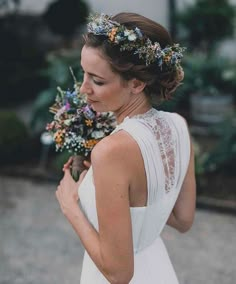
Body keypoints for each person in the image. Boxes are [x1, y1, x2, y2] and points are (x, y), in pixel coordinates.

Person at [56, 12, 196, 284]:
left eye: (97, 80)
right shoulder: (178, 126)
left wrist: (69, 204)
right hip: (157, 269)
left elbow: (119, 274)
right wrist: (123, 199)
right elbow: (183, 219)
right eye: (84, 74)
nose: (84, 89)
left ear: (136, 83)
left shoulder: (110, 151)